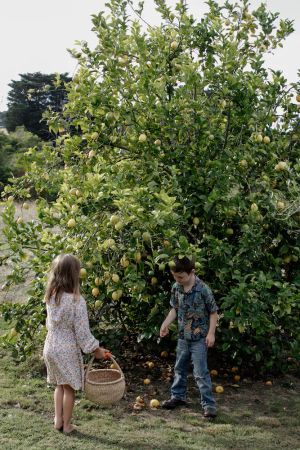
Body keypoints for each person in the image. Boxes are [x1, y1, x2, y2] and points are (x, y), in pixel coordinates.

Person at [43, 253, 109, 434]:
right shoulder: (76, 302)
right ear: (74, 275)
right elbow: (82, 333)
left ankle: (57, 420)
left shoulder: (51, 296)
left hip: (50, 346)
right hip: (66, 348)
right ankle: (67, 425)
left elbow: (50, 324)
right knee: (70, 388)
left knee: (59, 385)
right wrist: (96, 349)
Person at [160, 256, 218, 418]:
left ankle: (208, 404)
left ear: (192, 272)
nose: (177, 280)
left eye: (180, 277)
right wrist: (165, 324)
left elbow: (213, 313)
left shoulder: (203, 289)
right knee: (179, 368)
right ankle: (178, 396)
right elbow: (174, 309)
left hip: (200, 338)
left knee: (200, 372)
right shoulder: (176, 288)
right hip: (182, 337)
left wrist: (211, 333)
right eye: (175, 276)